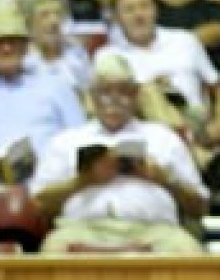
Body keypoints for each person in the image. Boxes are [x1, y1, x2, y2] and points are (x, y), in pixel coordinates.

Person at [31, 50, 209, 253]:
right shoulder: (66, 142)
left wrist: (163, 179)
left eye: (123, 91)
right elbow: (38, 205)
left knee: (186, 248)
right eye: (105, 92)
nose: (114, 100)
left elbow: (200, 207)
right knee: (53, 249)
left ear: (135, 95)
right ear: (92, 96)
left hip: (154, 230)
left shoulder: (163, 138)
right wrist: (84, 180)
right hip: (83, 229)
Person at [0, 7, 86, 189]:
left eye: (12, 41)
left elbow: (82, 139)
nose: (6, 48)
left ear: (25, 47)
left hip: (49, 178)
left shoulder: (56, 86)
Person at [107, 0, 220, 165]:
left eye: (144, 6)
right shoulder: (108, 56)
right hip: (142, 139)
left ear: (155, 9)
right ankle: (193, 155)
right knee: (148, 91)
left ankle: (188, 150)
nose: (138, 15)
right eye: (129, 9)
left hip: (194, 122)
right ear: (116, 17)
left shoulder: (185, 41)